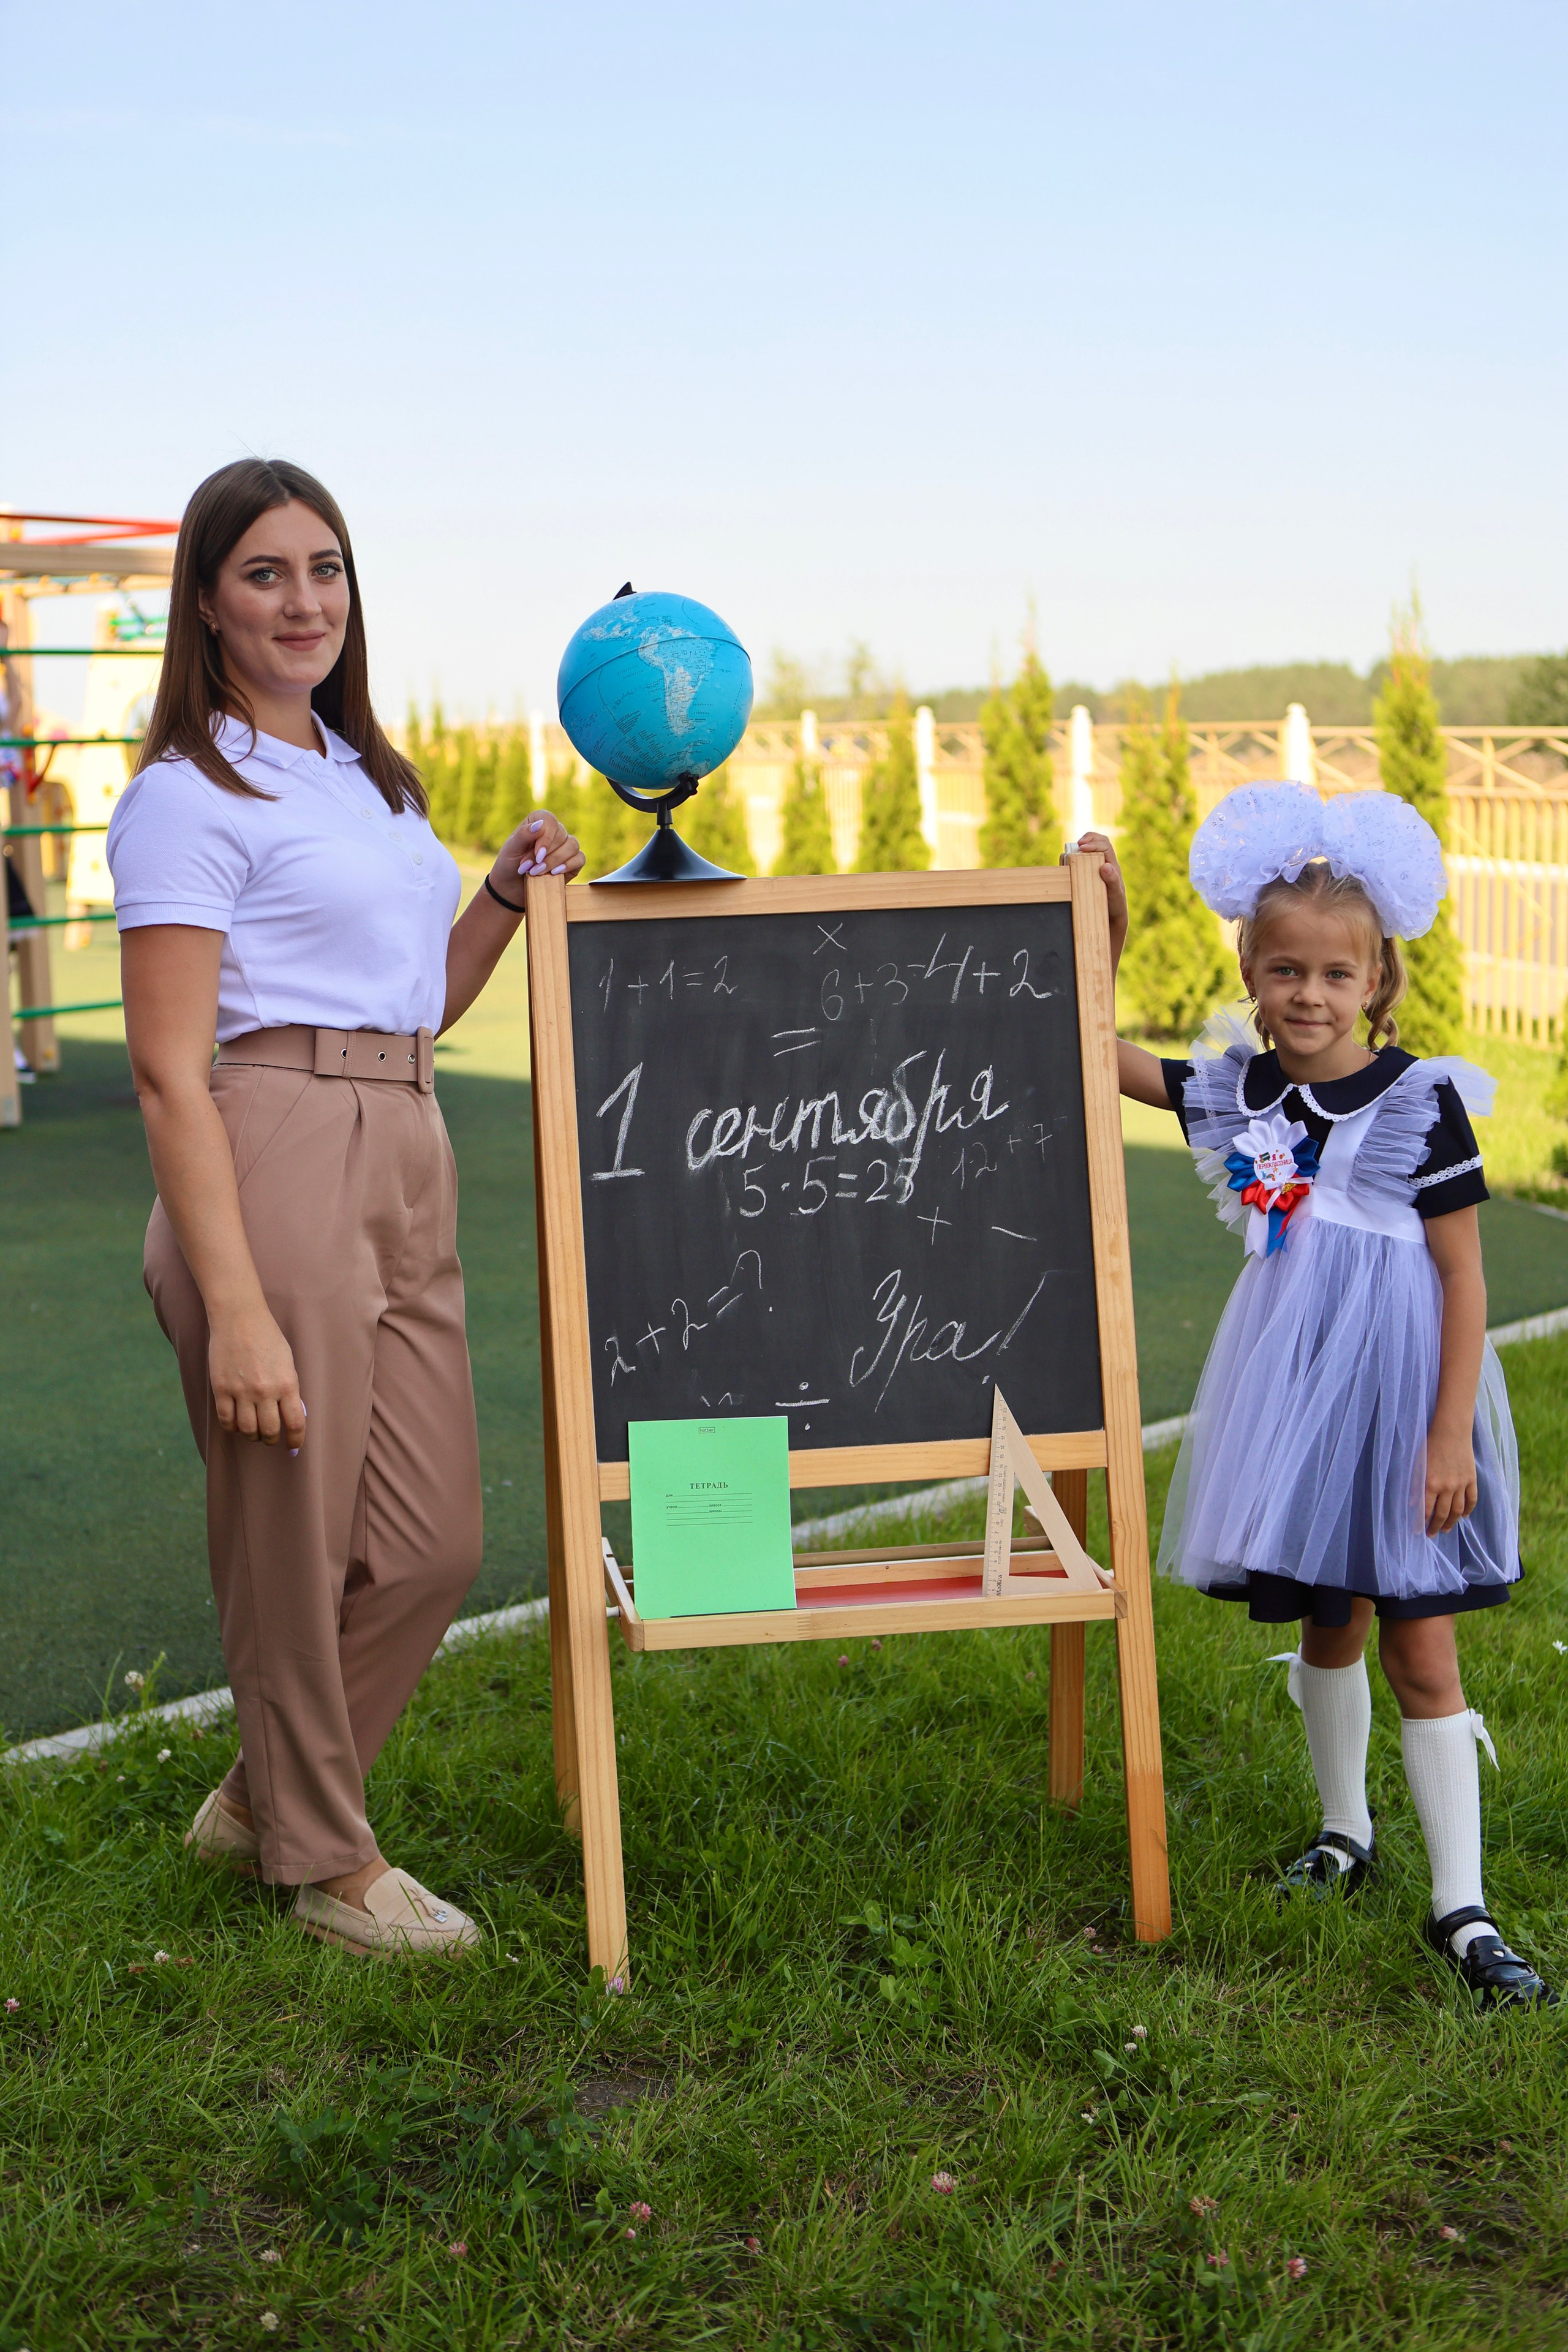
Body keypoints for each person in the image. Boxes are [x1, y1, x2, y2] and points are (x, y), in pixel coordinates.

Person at [108, 458, 584, 1956]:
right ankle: (325, 1864)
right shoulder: (185, 798)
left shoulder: (371, 779)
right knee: (291, 1534)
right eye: (265, 573)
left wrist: (497, 900)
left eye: (325, 568)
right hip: (269, 1153)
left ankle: (261, 1800)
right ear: (206, 603)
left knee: (432, 1542)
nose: (303, 599)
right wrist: (233, 1300)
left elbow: (410, 1008)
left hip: (402, 1137)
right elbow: (169, 1073)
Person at [1077, 783, 1555, 2011]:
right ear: (1249, 967)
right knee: (1327, 1622)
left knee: (1421, 1647)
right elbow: (1097, 1050)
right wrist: (1109, 916)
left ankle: (1463, 1906)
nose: (1306, 995)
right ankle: (1344, 1831)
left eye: (1334, 975)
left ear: (1375, 981)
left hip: (1402, 1404)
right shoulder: (1244, 1095)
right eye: (1283, 969)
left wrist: (1447, 1429)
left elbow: (1459, 1278)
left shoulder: (1417, 1103)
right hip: (1291, 1401)